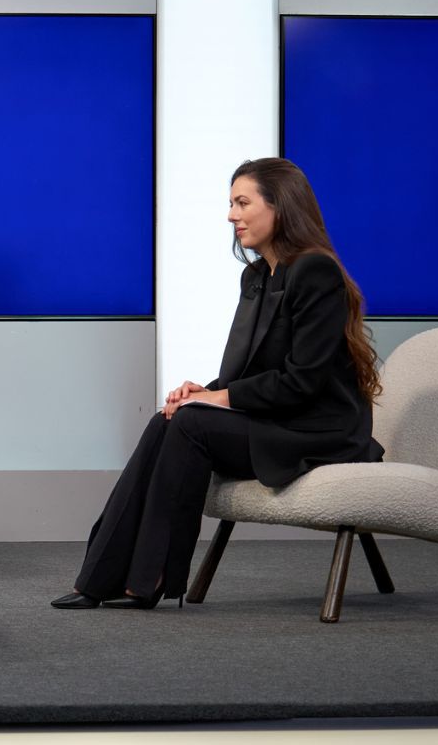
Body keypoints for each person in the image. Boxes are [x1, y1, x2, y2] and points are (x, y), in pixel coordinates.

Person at [52, 157, 385, 611]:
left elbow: (301, 382)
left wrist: (216, 400)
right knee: (167, 420)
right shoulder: (256, 277)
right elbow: (245, 373)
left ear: (280, 207)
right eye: (231, 203)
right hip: (278, 417)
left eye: (242, 202)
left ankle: (147, 581)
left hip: (320, 430)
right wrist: (203, 391)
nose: (231, 215)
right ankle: (99, 578)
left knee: (190, 426)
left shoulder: (316, 272)